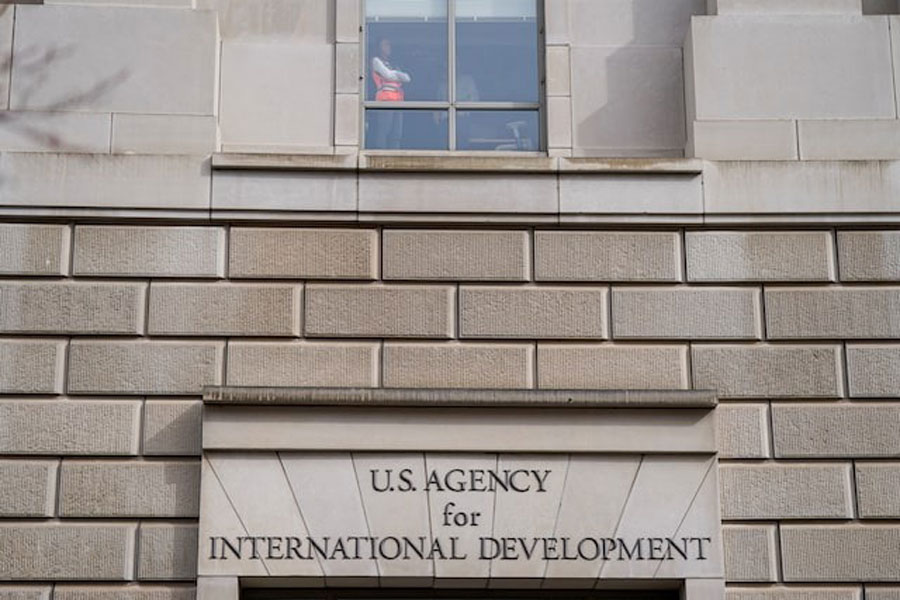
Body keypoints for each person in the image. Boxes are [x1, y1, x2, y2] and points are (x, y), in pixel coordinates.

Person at [371, 37, 411, 149]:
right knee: (384, 130)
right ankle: (381, 152)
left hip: (398, 101)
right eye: (385, 44)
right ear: (379, 47)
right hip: (385, 100)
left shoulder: (393, 64)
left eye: (389, 44)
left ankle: (395, 152)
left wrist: (395, 74)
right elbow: (387, 75)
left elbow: (407, 78)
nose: (389, 47)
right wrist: (397, 75)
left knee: (396, 132)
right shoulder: (376, 61)